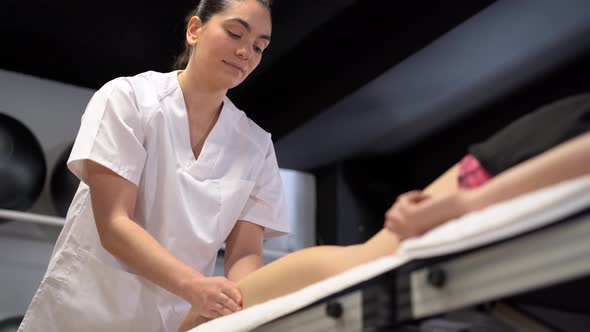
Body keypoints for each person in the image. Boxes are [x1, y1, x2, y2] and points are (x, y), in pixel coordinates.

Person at [176, 93, 590, 331]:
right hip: (540, 153)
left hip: (547, 151)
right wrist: (468, 204)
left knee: (365, 261)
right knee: (367, 262)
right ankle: (199, 321)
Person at [18, 0, 289, 331]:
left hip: (178, 320)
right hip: (86, 312)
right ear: (195, 30)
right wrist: (196, 287)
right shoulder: (129, 99)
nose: (247, 52)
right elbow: (115, 223)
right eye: (235, 34)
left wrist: (245, 305)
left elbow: (245, 254)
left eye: (259, 47)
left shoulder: (256, 146)